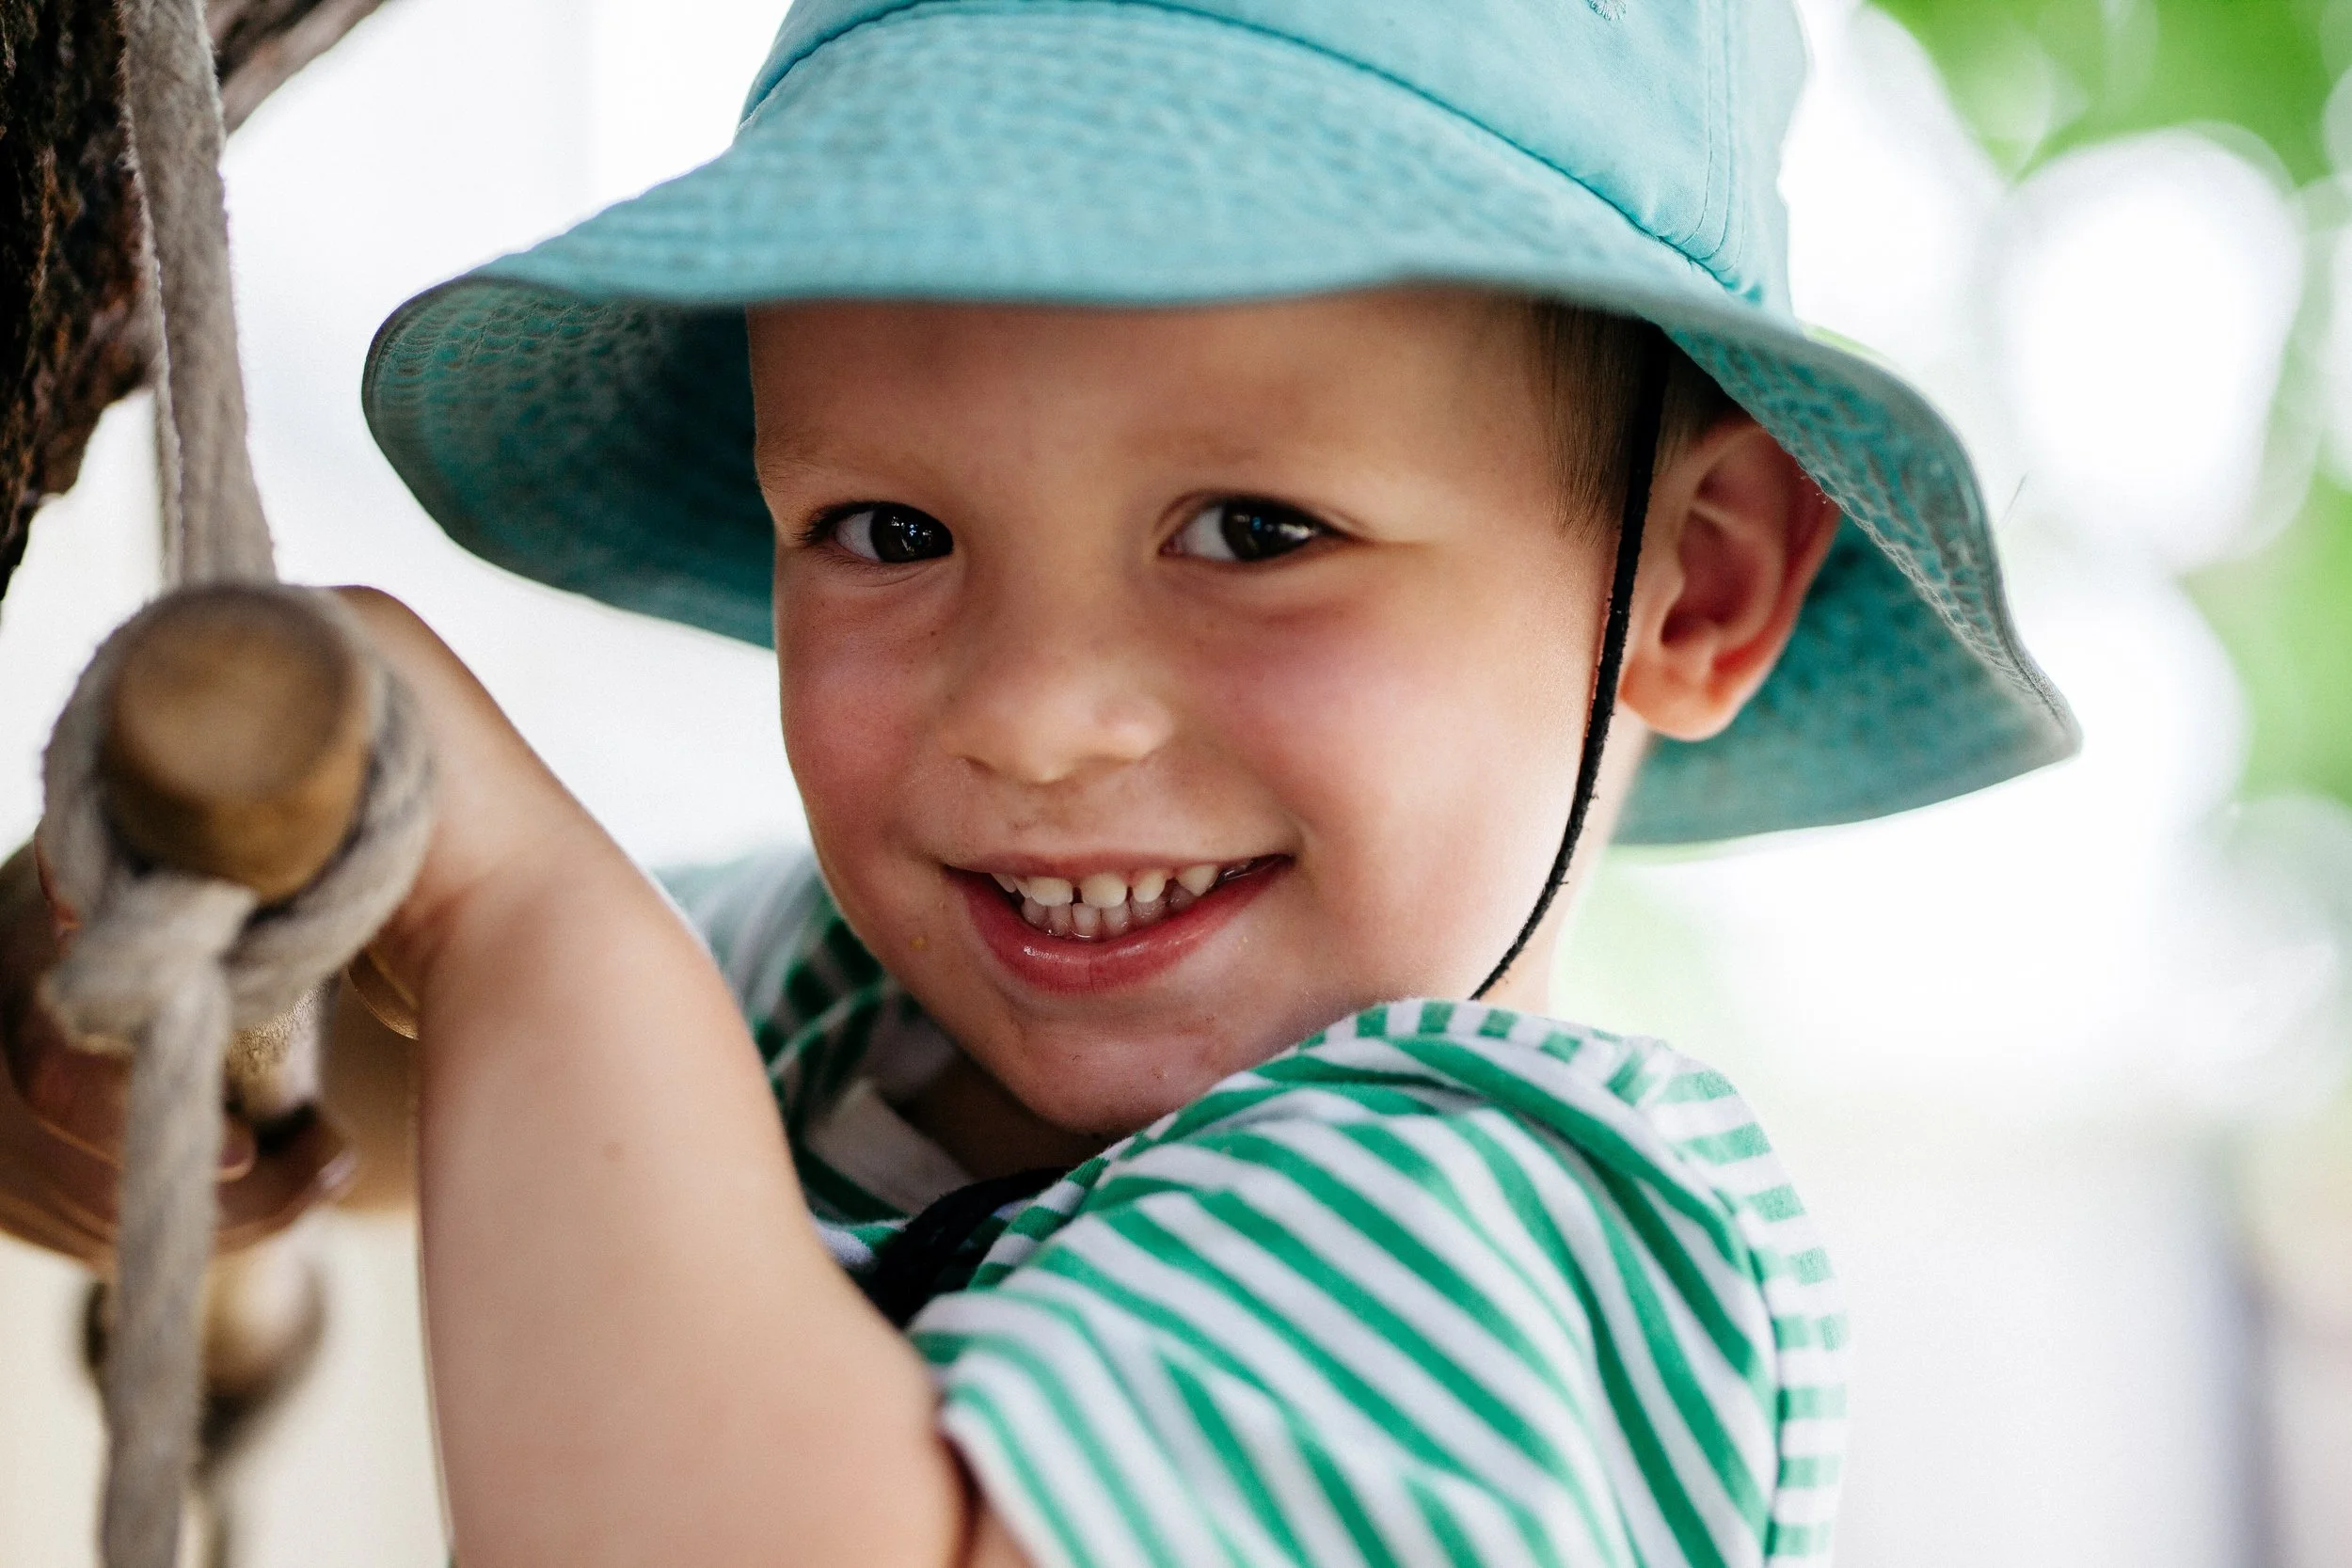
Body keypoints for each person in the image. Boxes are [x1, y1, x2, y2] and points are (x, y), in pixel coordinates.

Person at [1, 1, 2079, 1562]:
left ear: (1691, 583)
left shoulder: (1488, 1229)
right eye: (891, 532)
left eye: (1257, 529)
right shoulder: (853, 1003)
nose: (1033, 716)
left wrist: (518, 900)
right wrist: (175, 992)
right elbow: (438, 1060)